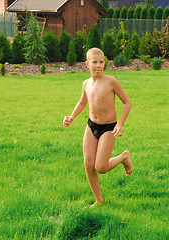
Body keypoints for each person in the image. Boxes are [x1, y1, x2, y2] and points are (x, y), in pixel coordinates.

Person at [63, 48, 133, 207]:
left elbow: (127, 102)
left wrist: (120, 124)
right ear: (87, 64)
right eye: (95, 62)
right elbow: (82, 103)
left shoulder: (111, 82)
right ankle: (99, 200)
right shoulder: (86, 84)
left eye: (101, 62)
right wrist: (71, 117)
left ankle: (123, 157)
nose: (99, 65)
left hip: (108, 128)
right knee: (88, 165)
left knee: (100, 167)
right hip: (91, 126)